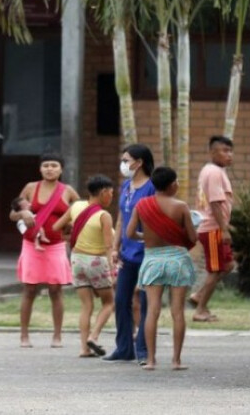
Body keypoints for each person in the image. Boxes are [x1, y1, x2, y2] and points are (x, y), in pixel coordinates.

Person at [127, 167, 198, 371]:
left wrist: (146, 237)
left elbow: (130, 233)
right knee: (177, 312)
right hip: (177, 260)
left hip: (152, 260)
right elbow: (192, 238)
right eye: (176, 182)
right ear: (171, 184)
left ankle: (150, 360)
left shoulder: (142, 205)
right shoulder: (181, 207)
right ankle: (176, 360)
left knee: (152, 311)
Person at [10, 152, 79, 349]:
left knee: (56, 290)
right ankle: (24, 336)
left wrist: (71, 225)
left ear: (61, 169)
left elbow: (80, 212)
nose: (50, 168)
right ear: (40, 168)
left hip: (56, 245)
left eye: (54, 165)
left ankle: (57, 336)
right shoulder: (31, 188)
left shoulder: (68, 191)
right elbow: (12, 214)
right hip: (31, 244)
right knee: (29, 289)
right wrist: (23, 212)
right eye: (46, 165)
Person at [52, 175, 115, 358]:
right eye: (111, 193)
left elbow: (57, 226)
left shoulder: (76, 206)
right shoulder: (104, 216)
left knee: (86, 306)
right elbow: (109, 247)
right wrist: (112, 269)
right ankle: (94, 337)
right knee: (109, 302)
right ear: (103, 192)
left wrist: (70, 230)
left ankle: (84, 348)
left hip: (77, 260)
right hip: (96, 261)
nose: (111, 197)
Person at [104, 144, 155, 364]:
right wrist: (115, 248)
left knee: (145, 302)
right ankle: (124, 348)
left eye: (127, 160)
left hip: (147, 252)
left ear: (139, 162)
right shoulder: (126, 186)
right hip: (127, 253)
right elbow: (121, 218)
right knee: (121, 298)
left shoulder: (152, 187)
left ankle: (143, 350)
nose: (123, 164)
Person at [190, 135, 236, 323]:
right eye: (224, 151)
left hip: (214, 227)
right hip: (212, 228)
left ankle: (199, 295)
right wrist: (223, 229)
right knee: (216, 270)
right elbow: (215, 203)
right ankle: (200, 310)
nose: (229, 155)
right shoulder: (214, 172)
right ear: (212, 152)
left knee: (228, 265)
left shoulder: (212, 170)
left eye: (230, 151)